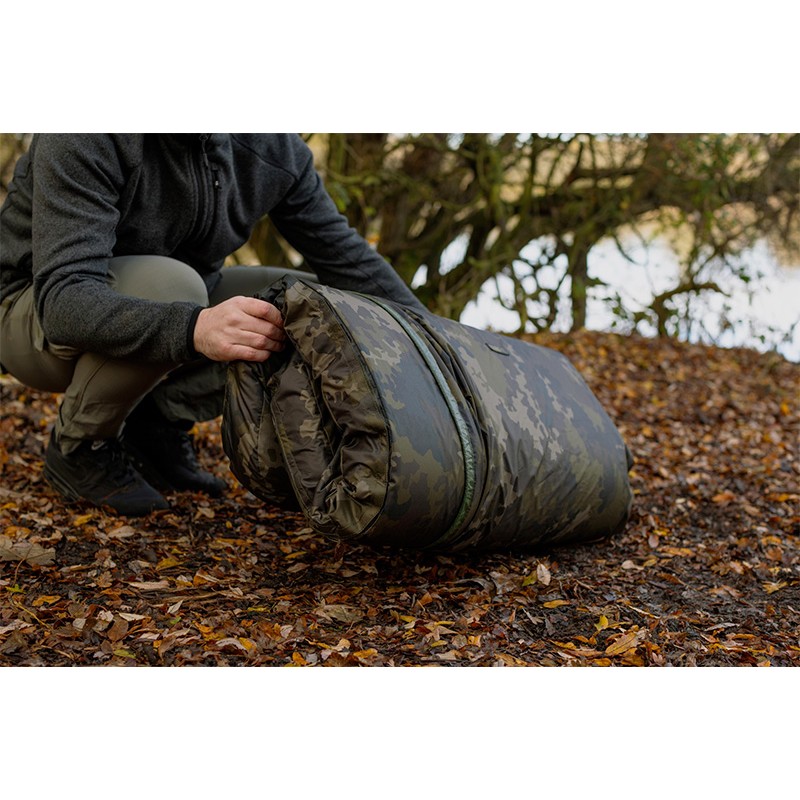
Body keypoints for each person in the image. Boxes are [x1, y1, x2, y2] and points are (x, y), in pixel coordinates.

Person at [0, 133, 424, 516]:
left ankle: (159, 422)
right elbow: (64, 300)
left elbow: (349, 261)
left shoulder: (271, 147)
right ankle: (80, 445)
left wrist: (434, 339)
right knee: (175, 288)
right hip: (27, 312)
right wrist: (194, 328)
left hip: (169, 299)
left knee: (308, 305)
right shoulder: (86, 134)